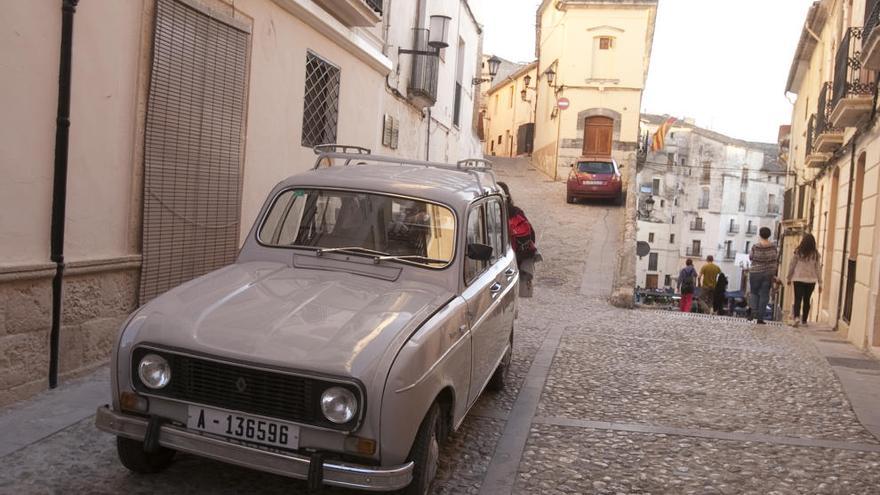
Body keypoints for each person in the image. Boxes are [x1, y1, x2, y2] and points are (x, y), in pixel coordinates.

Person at [497, 181, 538, 297]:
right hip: (516, 259)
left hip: (499, 262)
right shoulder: (517, 212)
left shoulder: (492, 212)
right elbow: (532, 235)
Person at [786, 233, 822, 327]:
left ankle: (797, 317)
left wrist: (789, 277)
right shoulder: (816, 254)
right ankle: (805, 320)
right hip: (811, 280)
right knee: (807, 300)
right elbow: (818, 268)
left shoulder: (798, 252)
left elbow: (792, 265)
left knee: (798, 299)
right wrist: (820, 282)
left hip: (798, 278)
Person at [749, 227, 779, 324]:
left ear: (760, 235)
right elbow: (776, 257)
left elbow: (751, 257)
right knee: (764, 295)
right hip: (768, 273)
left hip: (755, 272)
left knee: (754, 292)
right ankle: (760, 318)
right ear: (769, 235)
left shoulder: (755, 246)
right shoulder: (773, 247)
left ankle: (753, 310)